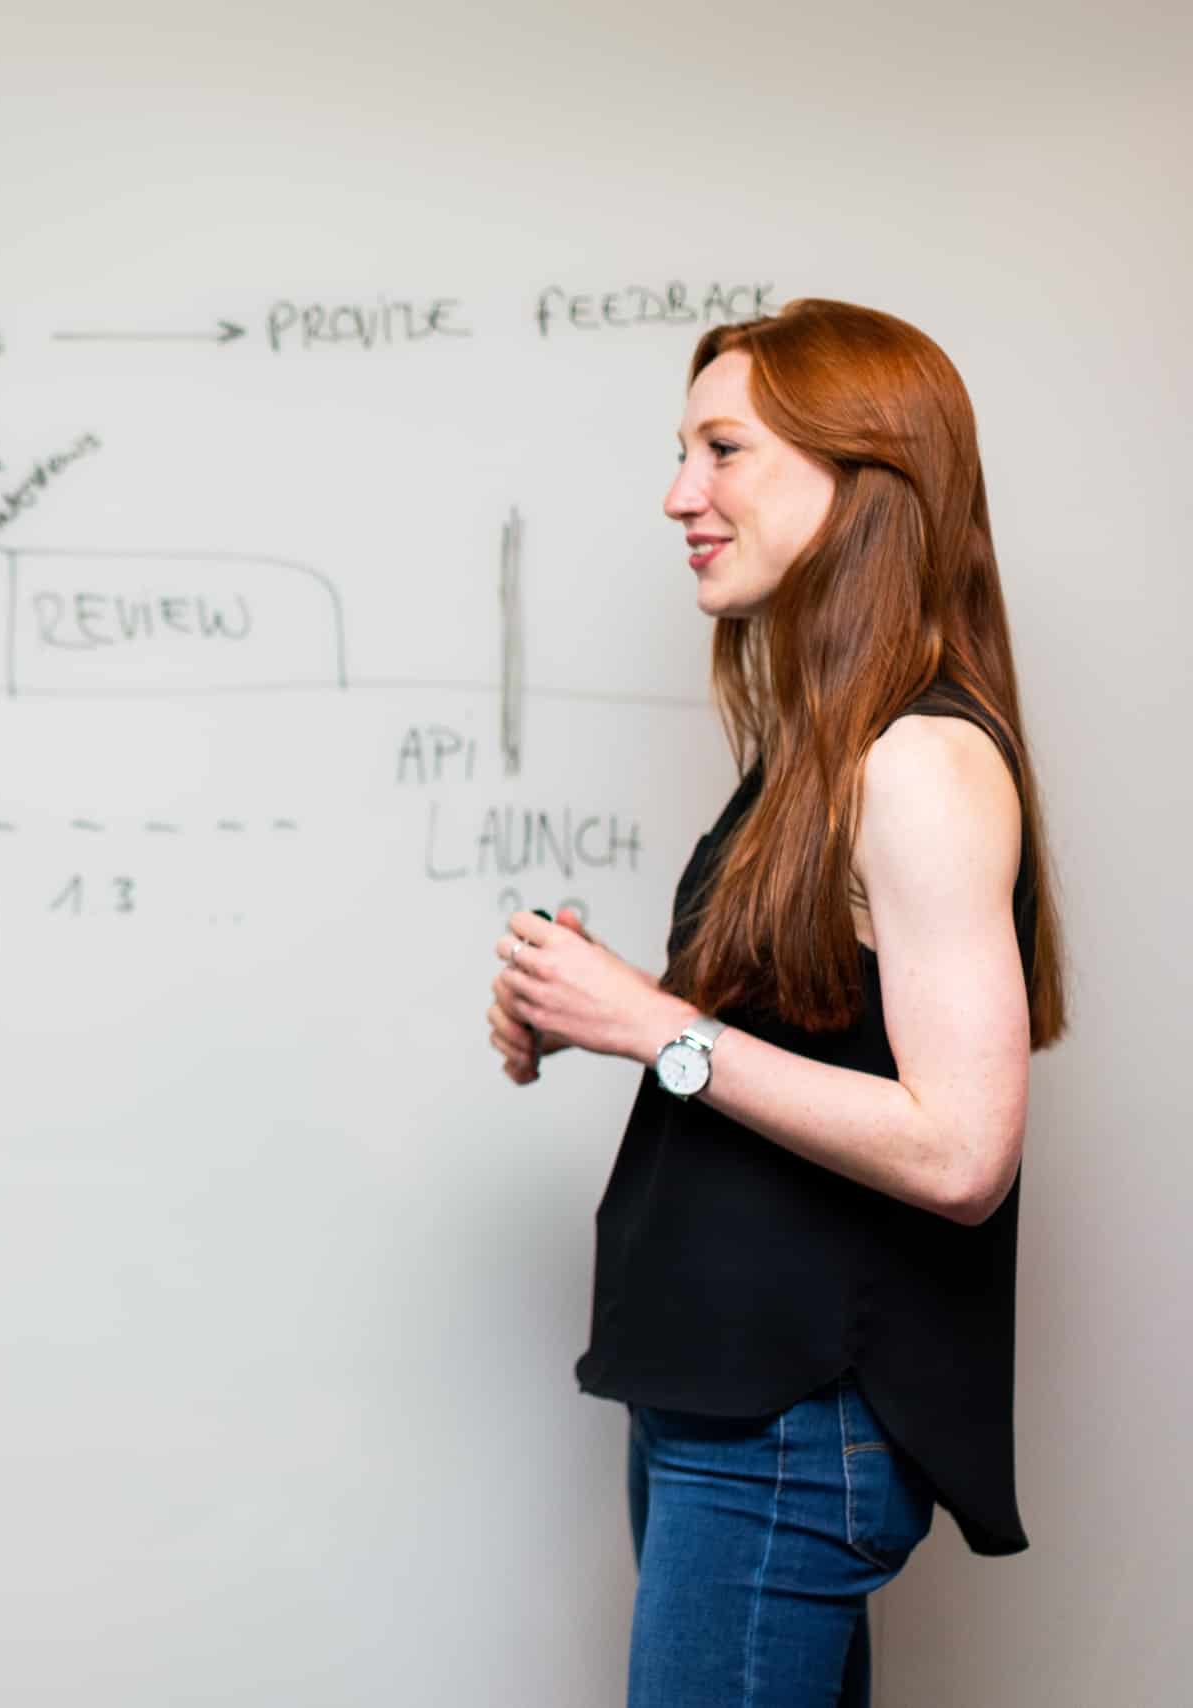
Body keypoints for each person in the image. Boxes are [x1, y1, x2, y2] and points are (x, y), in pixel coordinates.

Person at [484, 299, 1065, 1705]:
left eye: (724, 448)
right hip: (734, 1406)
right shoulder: (826, 751)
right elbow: (796, 1043)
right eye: (686, 451)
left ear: (863, 474)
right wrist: (594, 1006)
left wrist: (649, 1023)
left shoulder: (918, 763)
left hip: (791, 1425)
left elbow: (962, 1151)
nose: (682, 494)